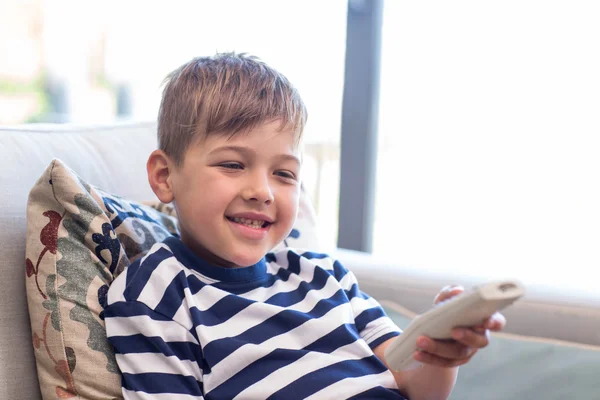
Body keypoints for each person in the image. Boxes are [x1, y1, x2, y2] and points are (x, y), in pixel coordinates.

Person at [104, 52, 506, 400]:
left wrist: (438, 354)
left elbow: (414, 385)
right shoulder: (155, 295)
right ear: (164, 176)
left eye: (284, 173)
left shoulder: (325, 277)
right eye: (232, 164)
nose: (263, 191)